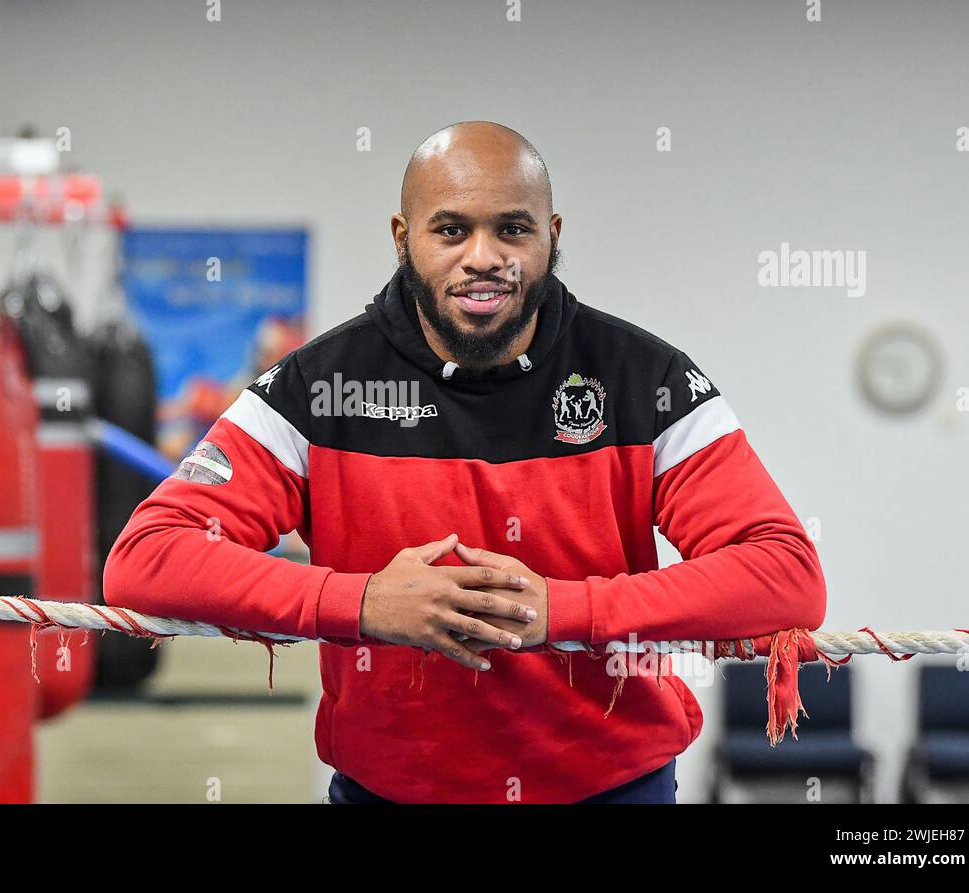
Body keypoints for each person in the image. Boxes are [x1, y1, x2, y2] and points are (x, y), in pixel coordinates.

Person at [103, 121, 826, 804]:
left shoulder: (644, 378)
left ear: (552, 236)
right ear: (402, 237)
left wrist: (568, 610)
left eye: (512, 227)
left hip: (611, 786)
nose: (483, 255)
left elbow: (786, 575)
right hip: (389, 791)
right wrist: (359, 603)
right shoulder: (318, 387)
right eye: (451, 229)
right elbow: (147, 557)